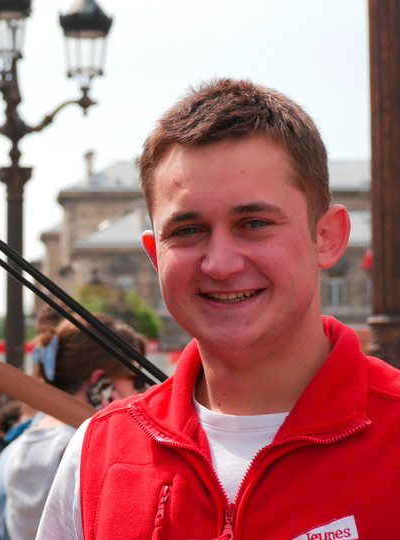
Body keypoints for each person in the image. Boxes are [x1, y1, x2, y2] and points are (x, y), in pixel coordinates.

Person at [37, 78, 400, 539]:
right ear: (155, 254)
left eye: (254, 223)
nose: (222, 264)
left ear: (327, 238)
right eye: (188, 230)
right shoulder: (96, 454)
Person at [0, 312, 147, 540]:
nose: (140, 392)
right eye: (135, 380)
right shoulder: (96, 455)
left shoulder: (7, 455)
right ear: (101, 383)